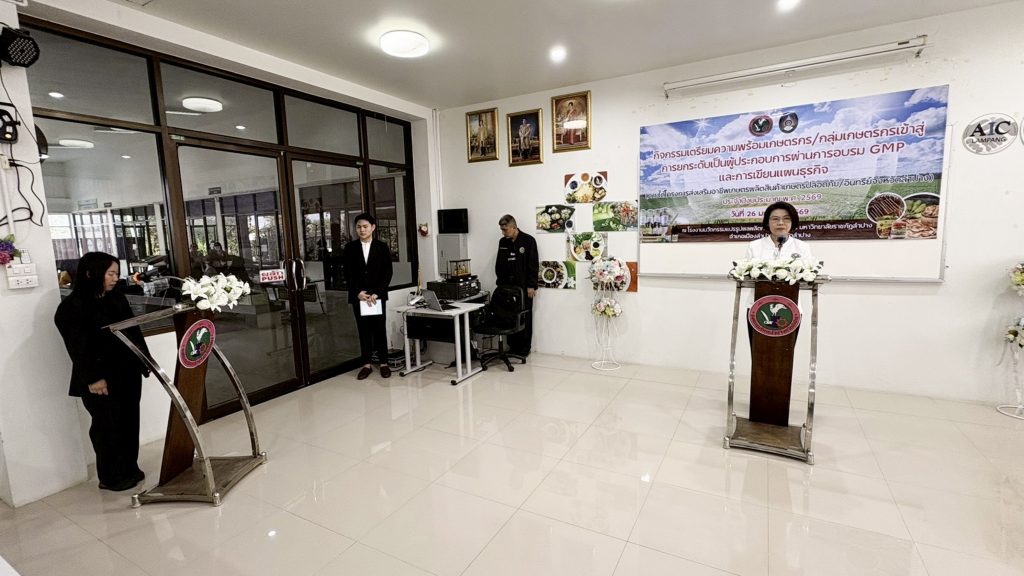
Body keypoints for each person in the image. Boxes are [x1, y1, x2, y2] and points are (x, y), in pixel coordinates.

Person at [54, 252, 151, 492]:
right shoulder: (72, 306)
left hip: (127, 373)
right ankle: (111, 477)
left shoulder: (116, 298)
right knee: (107, 427)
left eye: (116, 273)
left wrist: (144, 361)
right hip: (100, 380)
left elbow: (133, 331)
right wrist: (93, 378)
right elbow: (78, 347)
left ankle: (129, 468)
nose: (115, 278)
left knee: (129, 422)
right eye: (110, 274)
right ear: (91, 273)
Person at [343, 212, 394, 380]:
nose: (362, 230)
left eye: (365, 226)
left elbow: (387, 273)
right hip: (359, 296)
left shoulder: (382, 247)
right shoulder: (350, 248)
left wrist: (377, 293)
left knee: (379, 329)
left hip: (376, 297)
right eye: (358, 227)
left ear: (373, 227)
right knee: (363, 330)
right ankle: (366, 364)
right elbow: (348, 274)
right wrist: (357, 292)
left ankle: (384, 363)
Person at [495, 214, 539, 356]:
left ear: (514, 227)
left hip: (524, 287)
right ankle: (512, 346)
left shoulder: (528, 241)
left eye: (505, 229)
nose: (503, 232)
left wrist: (531, 286)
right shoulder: (503, 242)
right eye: (502, 230)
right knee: (509, 316)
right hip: (507, 287)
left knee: (524, 317)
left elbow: (533, 265)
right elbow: (499, 264)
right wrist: (500, 285)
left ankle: (524, 348)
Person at [745, 201, 814, 262]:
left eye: (786, 218)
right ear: (767, 222)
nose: (780, 223)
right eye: (775, 219)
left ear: (792, 222)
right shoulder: (754, 246)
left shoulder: (802, 247)